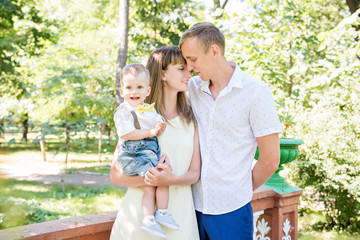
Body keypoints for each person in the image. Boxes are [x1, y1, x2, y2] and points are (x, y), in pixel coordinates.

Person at [179, 22, 283, 239]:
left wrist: (238, 189)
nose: (189, 67)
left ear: (214, 51)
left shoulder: (256, 93)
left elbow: (271, 160)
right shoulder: (191, 88)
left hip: (232, 210)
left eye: (193, 59)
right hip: (192, 206)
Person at [110, 46, 201, 240]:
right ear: (163, 74)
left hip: (180, 220)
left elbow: (195, 173)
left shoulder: (191, 119)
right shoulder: (136, 117)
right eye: (181, 69)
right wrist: (154, 181)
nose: (189, 73)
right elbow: (116, 175)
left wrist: (170, 180)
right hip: (139, 221)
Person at [114, 63, 180, 238]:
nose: (134, 92)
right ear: (122, 92)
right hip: (134, 154)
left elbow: (157, 125)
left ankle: (157, 215)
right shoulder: (123, 111)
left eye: (139, 87)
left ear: (148, 91)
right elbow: (126, 133)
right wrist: (150, 132)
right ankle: (153, 217)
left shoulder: (149, 110)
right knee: (154, 182)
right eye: (129, 87)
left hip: (149, 152)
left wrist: (160, 127)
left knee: (158, 181)